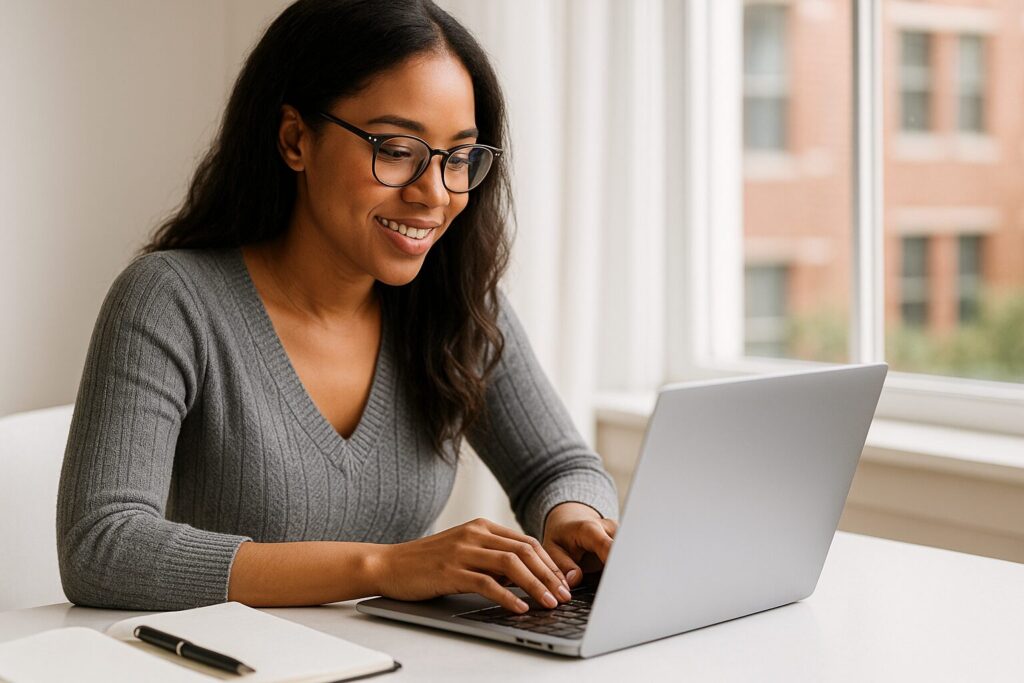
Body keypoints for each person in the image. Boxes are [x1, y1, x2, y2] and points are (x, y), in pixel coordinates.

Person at [56, 0, 619, 614]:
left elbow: (558, 466)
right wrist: (382, 566)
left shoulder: (455, 305)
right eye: (398, 149)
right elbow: (102, 547)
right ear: (296, 139)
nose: (433, 193)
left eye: (458, 157)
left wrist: (575, 517)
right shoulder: (171, 301)